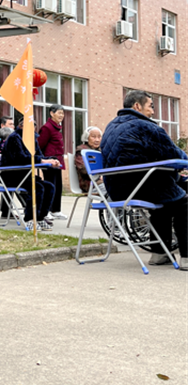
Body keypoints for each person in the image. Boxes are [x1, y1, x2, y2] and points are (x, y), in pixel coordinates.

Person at [101, 90, 188, 270]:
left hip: (116, 188)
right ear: (137, 106)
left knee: (165, 203)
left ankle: (159, 253)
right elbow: (173, 153)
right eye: (151, 106)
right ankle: (186, 256)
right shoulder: (145, 126)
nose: (153, 112)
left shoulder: (111, 126)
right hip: (138, 185)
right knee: (183, 203)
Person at [0, 120, 59, 230]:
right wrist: (42, 161)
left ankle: (40, 218)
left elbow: (40, 156)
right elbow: (20, 159)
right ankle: (30, 219)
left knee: (49, 187)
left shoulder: (33, 139)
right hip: (11, 175)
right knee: (38, 187)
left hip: (26, 175)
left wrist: (51, 160)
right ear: (21, 126)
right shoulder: (14, 138)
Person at [38, 105, 66, 219]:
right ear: (51, 113)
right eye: (59, 113)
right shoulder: (47, 128)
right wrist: (43, 160)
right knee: (50, 185)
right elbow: (40, 145)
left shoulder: (57, 127)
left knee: (58, 185)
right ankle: (47, 211)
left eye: (63, 113)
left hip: (57, 161)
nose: (61, 115)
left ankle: (56, 210)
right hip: (49, 161)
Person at [75, 126, 102, 193]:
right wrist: (99, 176)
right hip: (89, 183)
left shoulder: (100, 151)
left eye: (99, 137)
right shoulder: (81, 150)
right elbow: (83, 169)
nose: (97, 140)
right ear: (86, 138)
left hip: (101, 181)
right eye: (93, 137)